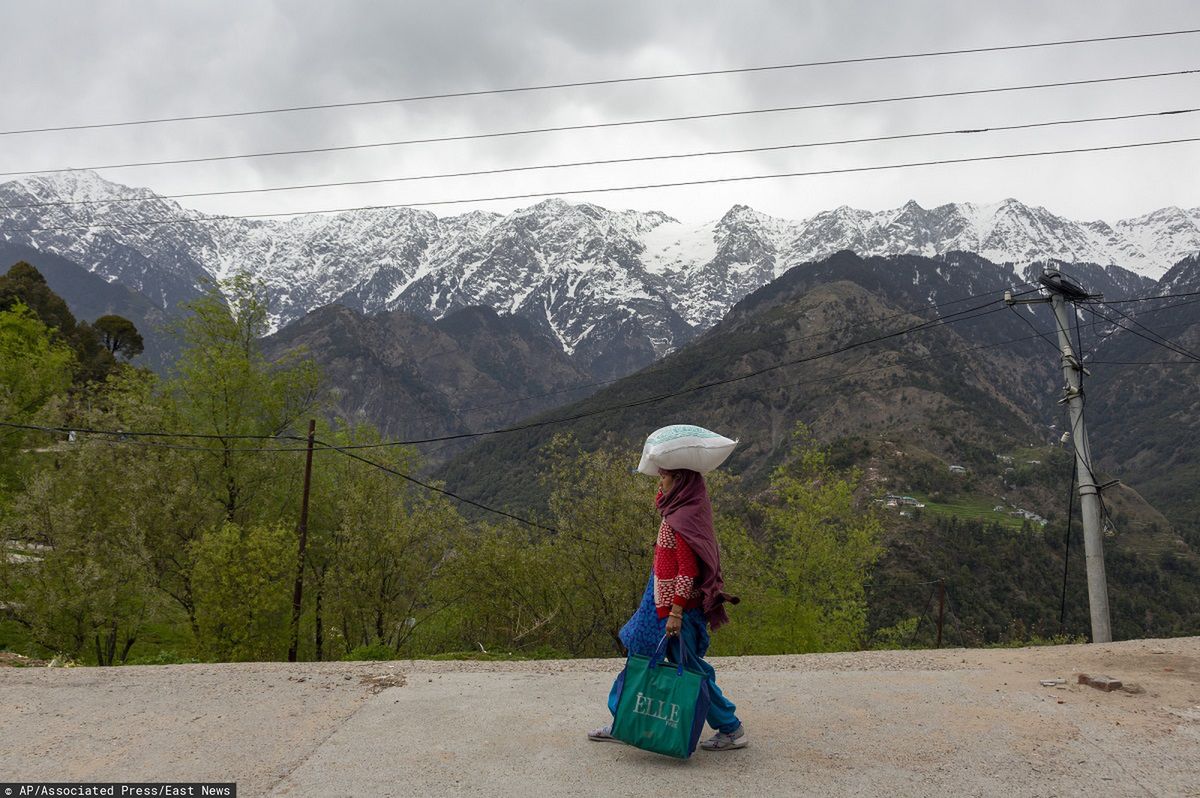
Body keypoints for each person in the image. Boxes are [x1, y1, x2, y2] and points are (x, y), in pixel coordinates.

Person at [588, 467, 747, 751]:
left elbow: (686, 572)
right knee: (639, 659)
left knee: (688, 671)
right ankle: (622, 720)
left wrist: (675, 613)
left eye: (664, 477)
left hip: (674, 610)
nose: (659, 482)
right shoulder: (678, 513)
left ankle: (730, 727)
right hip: (658, 606)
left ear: (680, 481)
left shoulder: (681, 521)